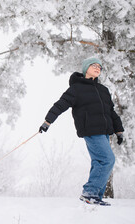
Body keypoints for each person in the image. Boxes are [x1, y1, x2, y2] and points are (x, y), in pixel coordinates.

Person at [39, 57, 124, 206]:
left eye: (100, 67)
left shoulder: (103, 90)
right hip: (90, 129)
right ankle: (89, 193)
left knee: (99, 162)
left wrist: (119, 131)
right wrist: (48, 121)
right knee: (107, 159)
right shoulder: (77, 88)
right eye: (94, 65)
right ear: (86, 68)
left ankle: (95, 197)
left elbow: (111, 111)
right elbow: (60, 105)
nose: (97, 68)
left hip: (104, 132)